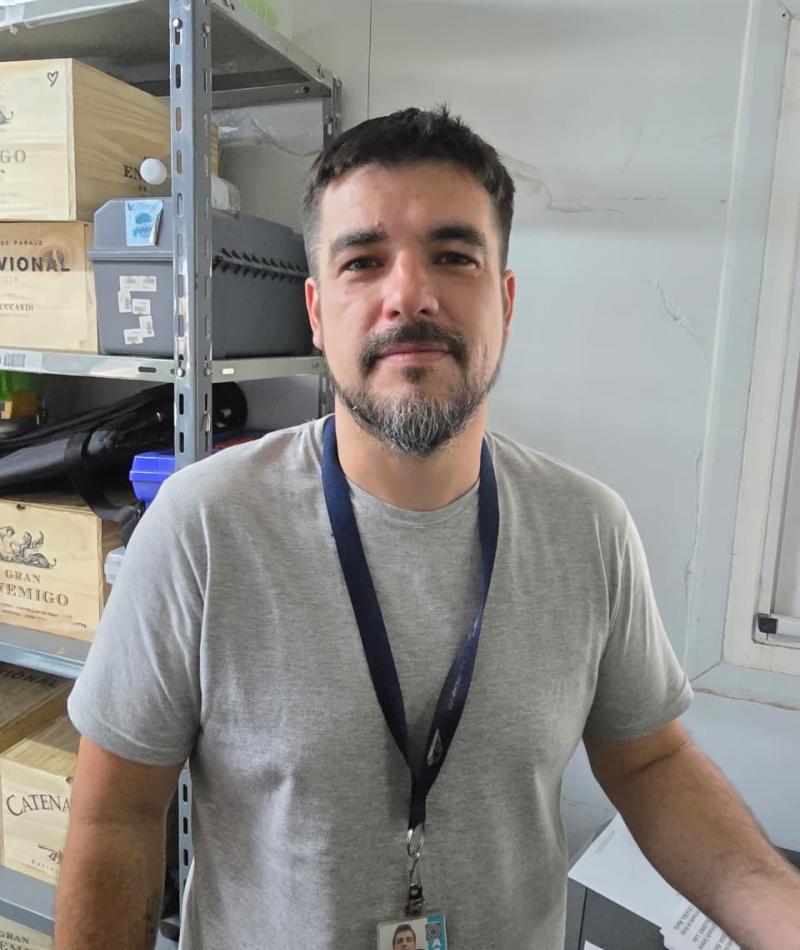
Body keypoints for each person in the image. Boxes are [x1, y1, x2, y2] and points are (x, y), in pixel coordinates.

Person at [54, 107, 800, 950]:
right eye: (363, 261)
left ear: (505, 301)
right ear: (316, 312)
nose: (408, 294)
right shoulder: (201, 529)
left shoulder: (589, 530)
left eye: (453, 256)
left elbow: (651, 762)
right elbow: (118, 816)